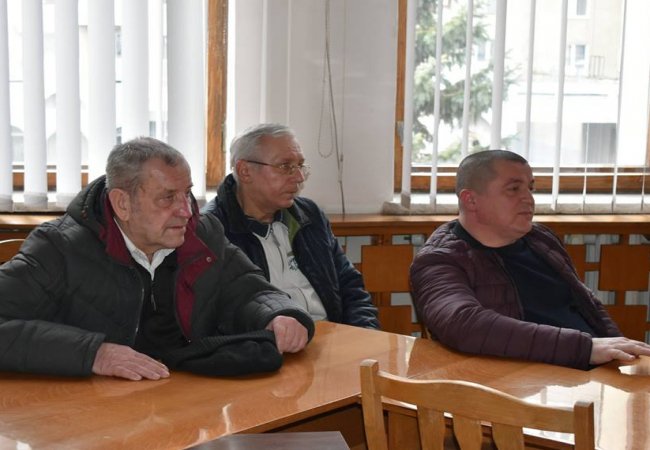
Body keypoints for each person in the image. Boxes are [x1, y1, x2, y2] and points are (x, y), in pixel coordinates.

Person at [0, 137, 314, 380]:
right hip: (92, 412)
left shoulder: (202, 233)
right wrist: (93, 352)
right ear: (122, 204)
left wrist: (278, 314)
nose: (186, 211)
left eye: (187, 193)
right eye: (167, 198)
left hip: (184, 398)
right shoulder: (58, 248)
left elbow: (248, 289)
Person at [410, 149, 650, 370]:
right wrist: (585, 348)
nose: (529, 199)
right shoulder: (438, 260)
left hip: (593, 368)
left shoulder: (541, 238)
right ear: (471, 200)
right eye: (514, 189)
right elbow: (463, 325)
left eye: (530, 188)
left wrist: (619, 349)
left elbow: (586, 303)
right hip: (524, 384)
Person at [204, 123, 379, 329]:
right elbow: (222, 316)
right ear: (245, 171)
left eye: (300, 165)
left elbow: (350, 285)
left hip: (331, 336)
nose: (299, 177)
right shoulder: (212, 230)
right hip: (268, 343)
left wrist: (366, 333)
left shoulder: (310, 216)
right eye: (285, 166)